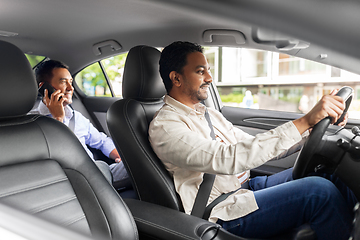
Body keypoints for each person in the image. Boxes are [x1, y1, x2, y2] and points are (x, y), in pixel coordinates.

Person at [149, 41, 356, 240]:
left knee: (330, 173)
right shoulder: (166, 127)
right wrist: (304, 120)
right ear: (176, 79)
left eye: (208, 70)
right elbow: (226, 159)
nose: (210, 78)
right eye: (201, 71)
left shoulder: (208, 114)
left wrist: (313, 129)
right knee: (318, 192)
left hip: (248, 187)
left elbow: (253, 145)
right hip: (222, 210)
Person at [30, 60, 130, 190]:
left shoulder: (76, 117)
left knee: (137, 163)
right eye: (63, 82)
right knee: (100, 167)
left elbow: (101, 141)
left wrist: (119, 156)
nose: (71, 88)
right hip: (68, 182)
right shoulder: (32, 122)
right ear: (44, 87)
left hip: (97, 173)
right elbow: (54, 157)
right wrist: (58, 118)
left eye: (70, 82)